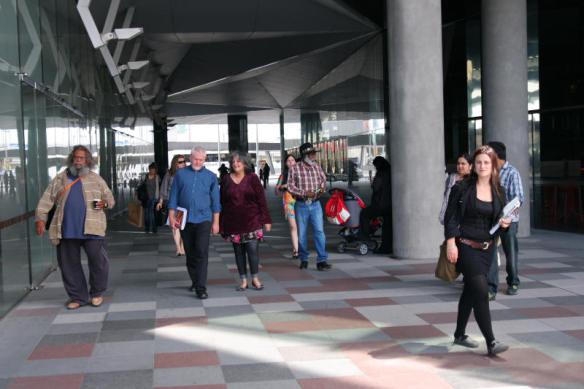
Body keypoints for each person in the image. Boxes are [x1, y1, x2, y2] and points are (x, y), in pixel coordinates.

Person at [444, 145, 511, 356]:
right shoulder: (461, 188)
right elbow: (451, 218)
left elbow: (498, 223)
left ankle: (459, 335)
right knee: (481, 291)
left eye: (487, 162)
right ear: (474, 165)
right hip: (465, 246)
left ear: (493, 166)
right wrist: (451, 243)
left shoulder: (499, 191)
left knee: (470, 292)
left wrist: (504, 224)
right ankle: (491, 342)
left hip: (487, 249)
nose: (482, 166)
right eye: (479, 162)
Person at [35, 145, 115, 310]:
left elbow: (110, 200)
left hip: (92, 229)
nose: (78, 161)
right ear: (72, 159)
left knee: (99, 262)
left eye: (82, 158)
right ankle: (78, 297)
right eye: (76, 158)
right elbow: (46, 200)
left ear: (88, 161)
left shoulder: (96, 179)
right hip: (66, 229)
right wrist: (40, 219)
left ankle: (97, 293)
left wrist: (103, 203)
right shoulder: (60, 178)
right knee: (68, 265)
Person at [168, 146, 220, 300]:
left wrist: (216, 222)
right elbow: (174, 196)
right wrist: (171, 216)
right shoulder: (180, 175)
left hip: (204, 218)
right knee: (190, 253)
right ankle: (195, 280)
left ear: (205, 160)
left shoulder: (211, 177)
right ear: (190, 158)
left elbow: (216, 201)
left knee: (202, 252)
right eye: (196, 159)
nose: (198, 162)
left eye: (201, 159)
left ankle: (201, 287)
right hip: (185, 219)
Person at [220, 152, 272, 291]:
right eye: (234, 162)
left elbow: (262, 200)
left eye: (239, 161)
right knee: (238, 252)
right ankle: (243, 280)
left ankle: (255, 278)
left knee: (252, 250)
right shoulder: (225, 179)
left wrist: (266, 220)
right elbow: (222, 203)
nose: (236, 164)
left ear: (244, 163)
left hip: (252, 221)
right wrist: (221, 224)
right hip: (234, 222)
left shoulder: (253, 178)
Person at [487, 141, 524, 299]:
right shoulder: (489, 171)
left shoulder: (512, 172)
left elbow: (518, 198)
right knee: (490, 252)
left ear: (496, 155)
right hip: (491, 218)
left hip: (509, 219)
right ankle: (491, 288)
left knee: (510, 252)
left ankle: (513, 281)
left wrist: (507, 218)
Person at [287, 142, 331, 271]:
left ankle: (322, 260)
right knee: (302, 234)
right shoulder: (295, 168)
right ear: (304, 155)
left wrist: (322, 188)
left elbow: (323, 180)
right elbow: (290, 186)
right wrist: (304, 193)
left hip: (316, 204)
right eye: (311, 154)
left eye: (314, 154)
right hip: (301, 204)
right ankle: (304, 259)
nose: (313, 156)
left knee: (319, 232)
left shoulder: (316, 167)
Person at [357, 156, 392, 254]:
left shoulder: (380, 174)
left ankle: (365, 236)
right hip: (390, 206)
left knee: (364, 214)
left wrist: (373, 182)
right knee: (387, 227)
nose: (375, 167)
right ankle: (386, 247)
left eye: (375, 165)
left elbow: (376, 187)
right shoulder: (391, 172)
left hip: (380, 205)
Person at [157, 154, 186, 256]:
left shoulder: (187, 173)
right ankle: (178, 248)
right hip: (173, 204)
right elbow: (164, 188)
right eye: (180, 162)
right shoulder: (169, 174)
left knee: (183, 227)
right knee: (175, 226)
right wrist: (160, 202)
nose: (183, 164)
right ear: (175, 163)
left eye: (184, 161)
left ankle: (182, 246)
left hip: (184, 204)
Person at [275, 154, 299, 259]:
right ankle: (296, 250)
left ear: (295, 162)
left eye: (292, 160)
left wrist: (288, 186)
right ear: (285, 163)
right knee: (293, 226)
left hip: (300, 201)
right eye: (288, 160)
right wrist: (281, 187)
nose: (290, 162)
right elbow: (276, 191)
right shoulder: (283, 175)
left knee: (301, 226)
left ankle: (299, 247)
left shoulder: (300, 174)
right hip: (288, 203)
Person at [439, 153, 473, 225]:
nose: (460, 166)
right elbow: (446, 198)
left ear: (470, 166)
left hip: (465, 221)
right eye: (458, 164)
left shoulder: (473, 181)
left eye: (463, 164)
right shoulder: (451, 178)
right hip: (450, 218)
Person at [138, 162, 160, 234]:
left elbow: (159, 187)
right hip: (145, 198)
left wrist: (159, 199)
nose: (153, 171)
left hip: (154, 198)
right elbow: (139, 186)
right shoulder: (145, 177)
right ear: (149, 169)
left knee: (152, 214)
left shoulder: (157, 177)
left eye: (154, 169)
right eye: (151, 169)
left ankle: (154, 229)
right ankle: (147, 228)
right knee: (146, 214)